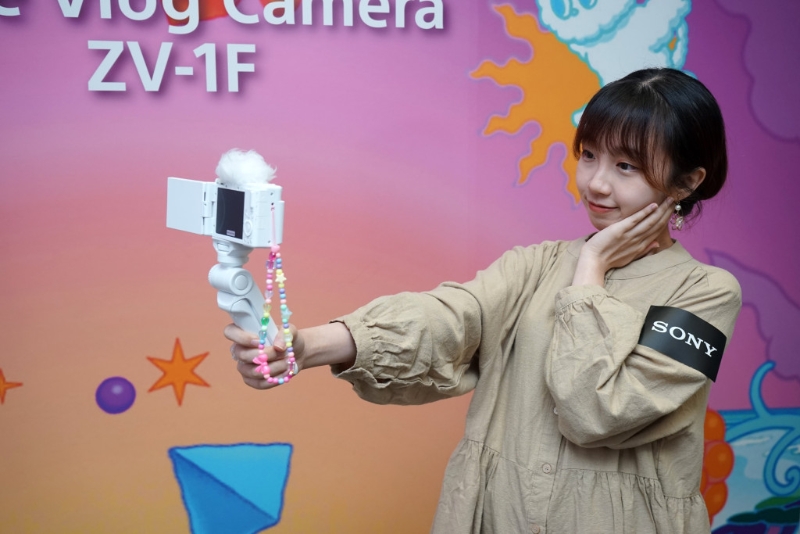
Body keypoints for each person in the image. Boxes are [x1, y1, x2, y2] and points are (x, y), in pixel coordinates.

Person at [226, 68, 742, 533]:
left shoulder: (706, 294)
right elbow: (451, 316)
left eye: (626, 166)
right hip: (498, 514)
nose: (596, 183)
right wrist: (308, 346)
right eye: (588, 155)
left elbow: (597, 413)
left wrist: (590, 272)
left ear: (687, 182)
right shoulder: (534, 265)